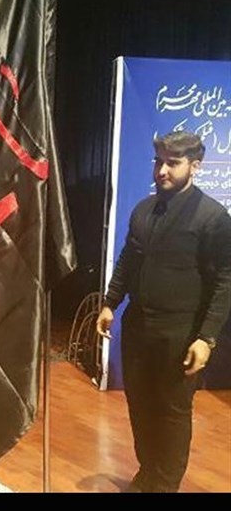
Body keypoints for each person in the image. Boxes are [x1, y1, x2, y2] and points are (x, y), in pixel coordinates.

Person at [96, 130, 231, 492]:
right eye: (158, 162)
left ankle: (165, 484)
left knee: (171, 411)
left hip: (180, 331)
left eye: (173, 163)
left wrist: (206, 338)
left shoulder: (213, 217)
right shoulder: (144, 209)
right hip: (138, 325)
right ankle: (147, 473)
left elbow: (225, 281)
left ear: (195, 166)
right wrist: (110, 302)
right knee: (140, 404)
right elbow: (128, 259)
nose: (162, 171)